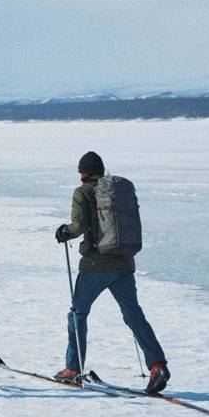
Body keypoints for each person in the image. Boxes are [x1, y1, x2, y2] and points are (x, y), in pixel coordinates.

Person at [54, 151, 170, 393]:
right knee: (133, 315)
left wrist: (64, 231)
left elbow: (78, 226)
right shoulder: (117, 192)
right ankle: (157, 365)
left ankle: (73, 369)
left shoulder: (83, 192)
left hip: (96, 265)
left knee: (78, 313)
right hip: (124, 263)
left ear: (83, 173)